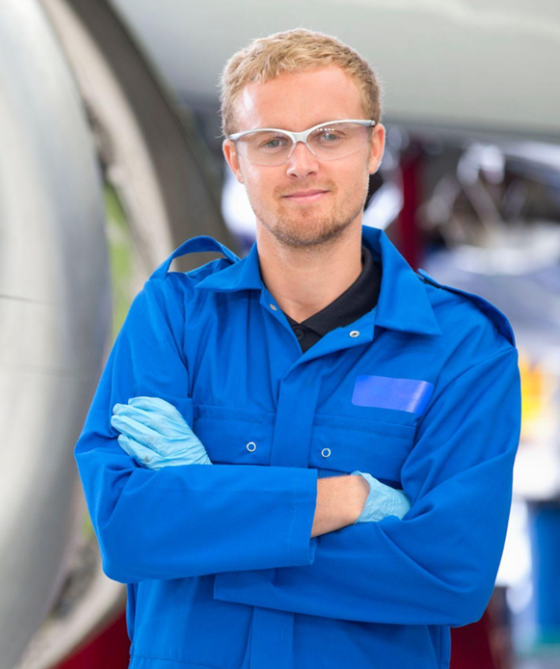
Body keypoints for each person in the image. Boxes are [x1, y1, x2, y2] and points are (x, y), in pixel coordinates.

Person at [73, 28, 522, 669]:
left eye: (330, 135)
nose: (300, 164)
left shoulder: (464, 348)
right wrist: (347, 501)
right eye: (272, 141)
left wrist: (209, 520)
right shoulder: (174, 315)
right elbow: (125, 528)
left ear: (374, 147)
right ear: (236, 160)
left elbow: (449, 574)